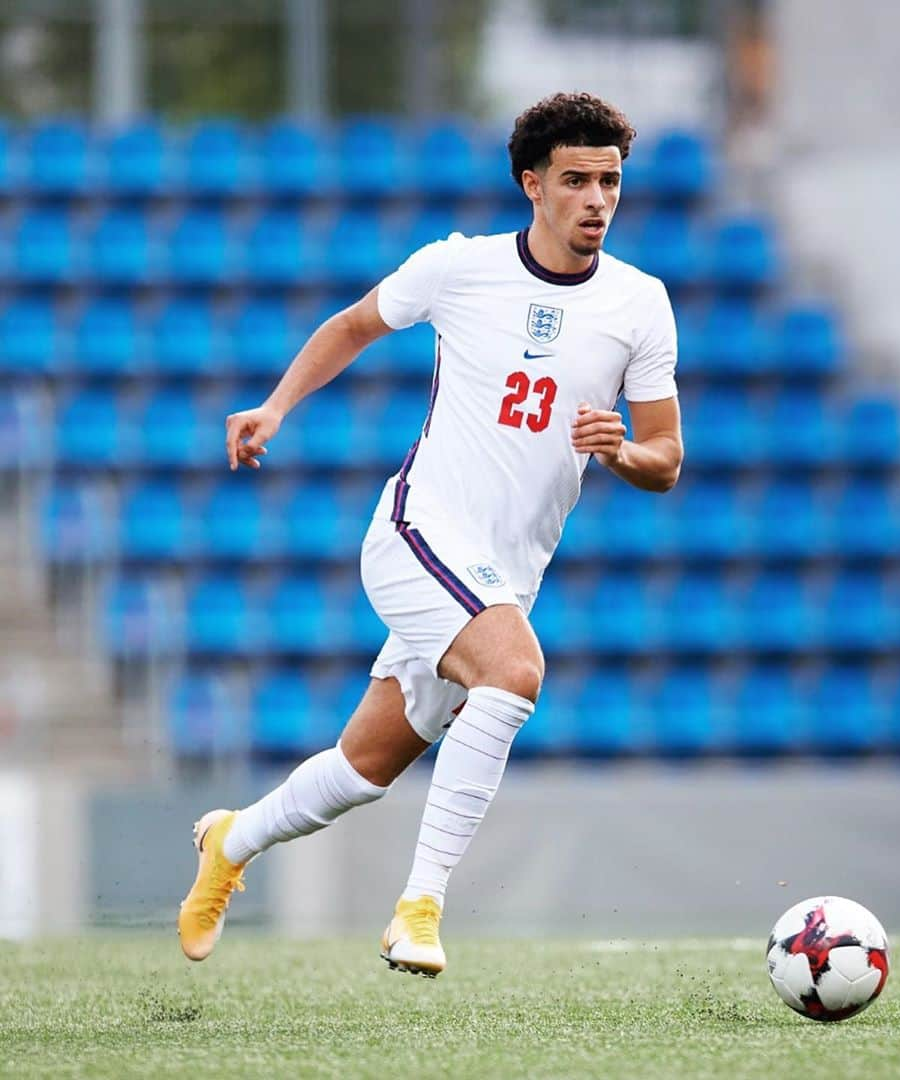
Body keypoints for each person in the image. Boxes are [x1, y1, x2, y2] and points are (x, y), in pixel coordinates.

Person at [178, 91, 684, 977]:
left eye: (610, 180)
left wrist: (622, 451)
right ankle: (420, 907)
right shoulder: (460, 268)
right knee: (517, 671)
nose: (597, 199)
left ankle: (231, 840)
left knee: (364, 767)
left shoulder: (641, 304)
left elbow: (668, 458)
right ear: (533, 184)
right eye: (576, 180)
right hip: (419, 532)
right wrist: (275, 406)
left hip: (506, 572)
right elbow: (354, 325)